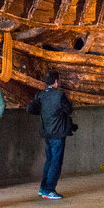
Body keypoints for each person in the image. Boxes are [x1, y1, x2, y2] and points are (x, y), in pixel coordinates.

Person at [27, 69, 74, 199]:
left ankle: (43, 187)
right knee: (56, 162)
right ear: (56, 81)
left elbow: (30, 108)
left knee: (49, 160)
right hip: (58, 132)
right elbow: (69, 110)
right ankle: (50, 189)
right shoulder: (59, 96)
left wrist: (43, 114)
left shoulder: (40, 95)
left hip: (47, 132)